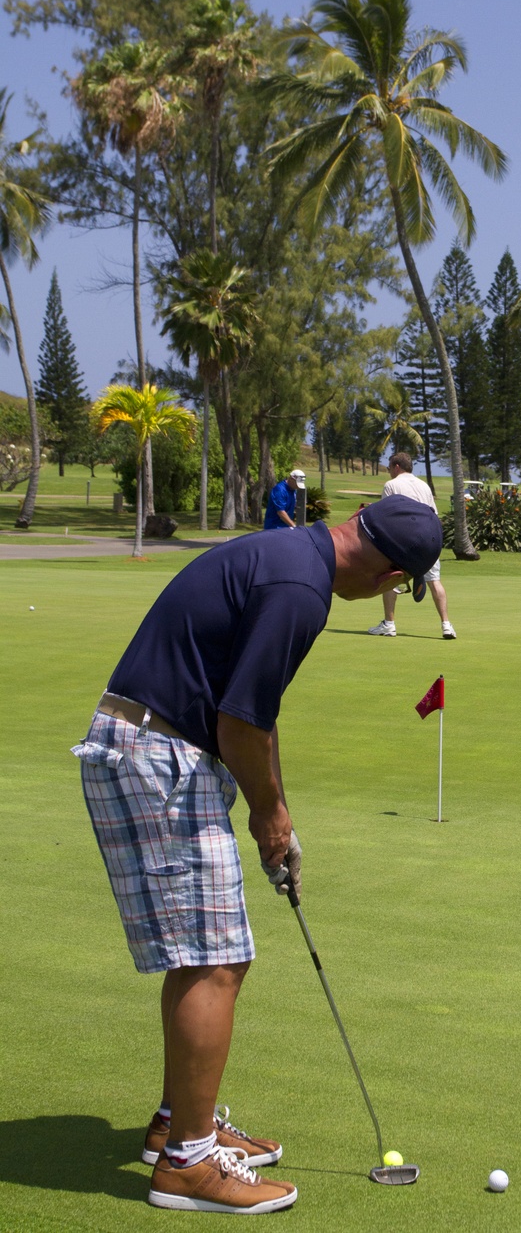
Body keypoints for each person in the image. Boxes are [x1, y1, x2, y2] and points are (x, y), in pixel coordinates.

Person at [72, 495, 441, 1215]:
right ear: (390, 570)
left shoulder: (287, 552)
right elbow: (239, 721)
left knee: (208, 952)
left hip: (159, 746)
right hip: (157, 754)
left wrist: (279, 812)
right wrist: (269, 818)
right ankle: (187, 1164)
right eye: (400, 583)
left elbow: (253, 714)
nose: (390, 593)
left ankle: (179, 1127)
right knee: (214, 957)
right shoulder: (302, 591)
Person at [367, 452, 456, 640]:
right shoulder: (424, 486)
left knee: (389, 580)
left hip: (403, 541)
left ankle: (389, 624)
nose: (389, 471)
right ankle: (447, 625)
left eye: (390, 467)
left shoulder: (391, 485)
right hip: (429, 541)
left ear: (397, 467)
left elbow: (387, 517)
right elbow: (433, 515)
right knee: (435, 581)